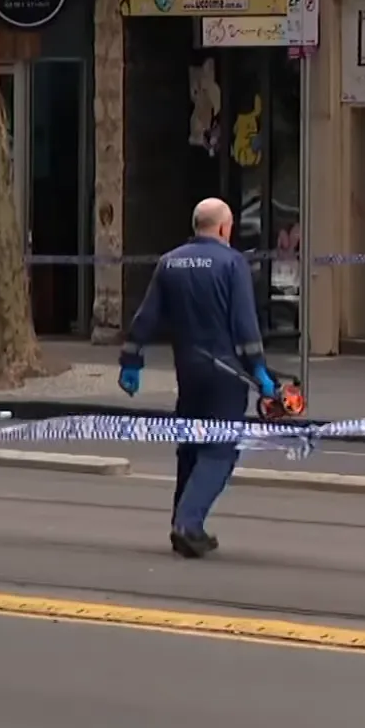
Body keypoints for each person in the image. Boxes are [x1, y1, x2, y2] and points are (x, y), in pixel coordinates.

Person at [118, 197, 280, 558]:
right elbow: (244, 324)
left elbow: (146, 317)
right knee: (220, 450)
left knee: (190, 445)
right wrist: (260, 371)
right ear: (224, 228)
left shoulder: (169, 262)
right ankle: (189, 523)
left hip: (188, 371)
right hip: (226, 372)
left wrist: (131, 360)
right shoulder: (232, 263)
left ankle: (183, 521)